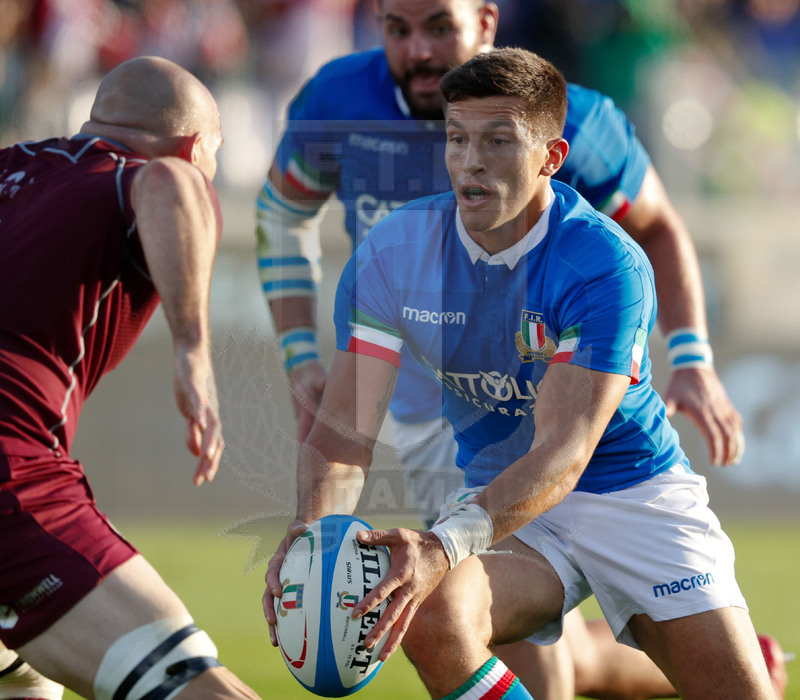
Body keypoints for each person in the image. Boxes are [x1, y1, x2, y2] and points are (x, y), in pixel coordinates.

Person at [255, 1, 786, 698]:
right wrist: (308, 538)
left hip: (631, 496)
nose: (469, 164)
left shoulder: (605, 264)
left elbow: (563, 454)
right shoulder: (393, 250)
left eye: (498, 141)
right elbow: (346, 430)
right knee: (433, 615)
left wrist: (442, 544)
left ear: (551, 157)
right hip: (504, 501)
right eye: (457, 140)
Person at [0, 56, 261, 700]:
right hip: (11, 474)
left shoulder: (13, 166)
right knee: (194, 686)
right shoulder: (144, 174)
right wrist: (193, 348)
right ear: (198, 144)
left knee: (25, 679)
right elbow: (170, 186)